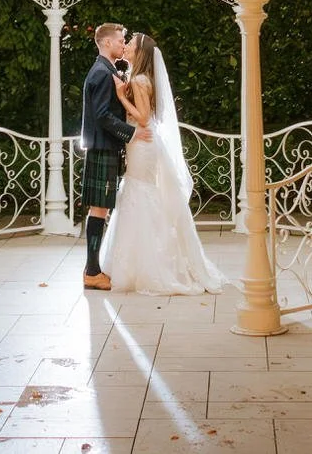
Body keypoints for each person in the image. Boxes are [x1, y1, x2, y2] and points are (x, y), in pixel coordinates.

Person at [99, 31, 226, 295]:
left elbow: (144, 119)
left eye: (131, 44)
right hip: (140, 144)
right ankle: (137, 260)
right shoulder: (137, 77)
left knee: (140, 192)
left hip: (143, 144)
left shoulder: (141, 80)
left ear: (141, 52)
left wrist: (122, 98)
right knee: (137, 192)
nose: (128, 46)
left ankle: (152, 262)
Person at [79, 23, 148, 290]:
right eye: (120, 40)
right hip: (102, 146)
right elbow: (102, 116)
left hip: (103, 146)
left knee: (100, 208)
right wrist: (131, 133)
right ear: (106, 43)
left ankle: (92, 269)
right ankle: (93, 272)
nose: (122, 44)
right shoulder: (101, 73)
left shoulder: (107, 70)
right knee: (99, 208)